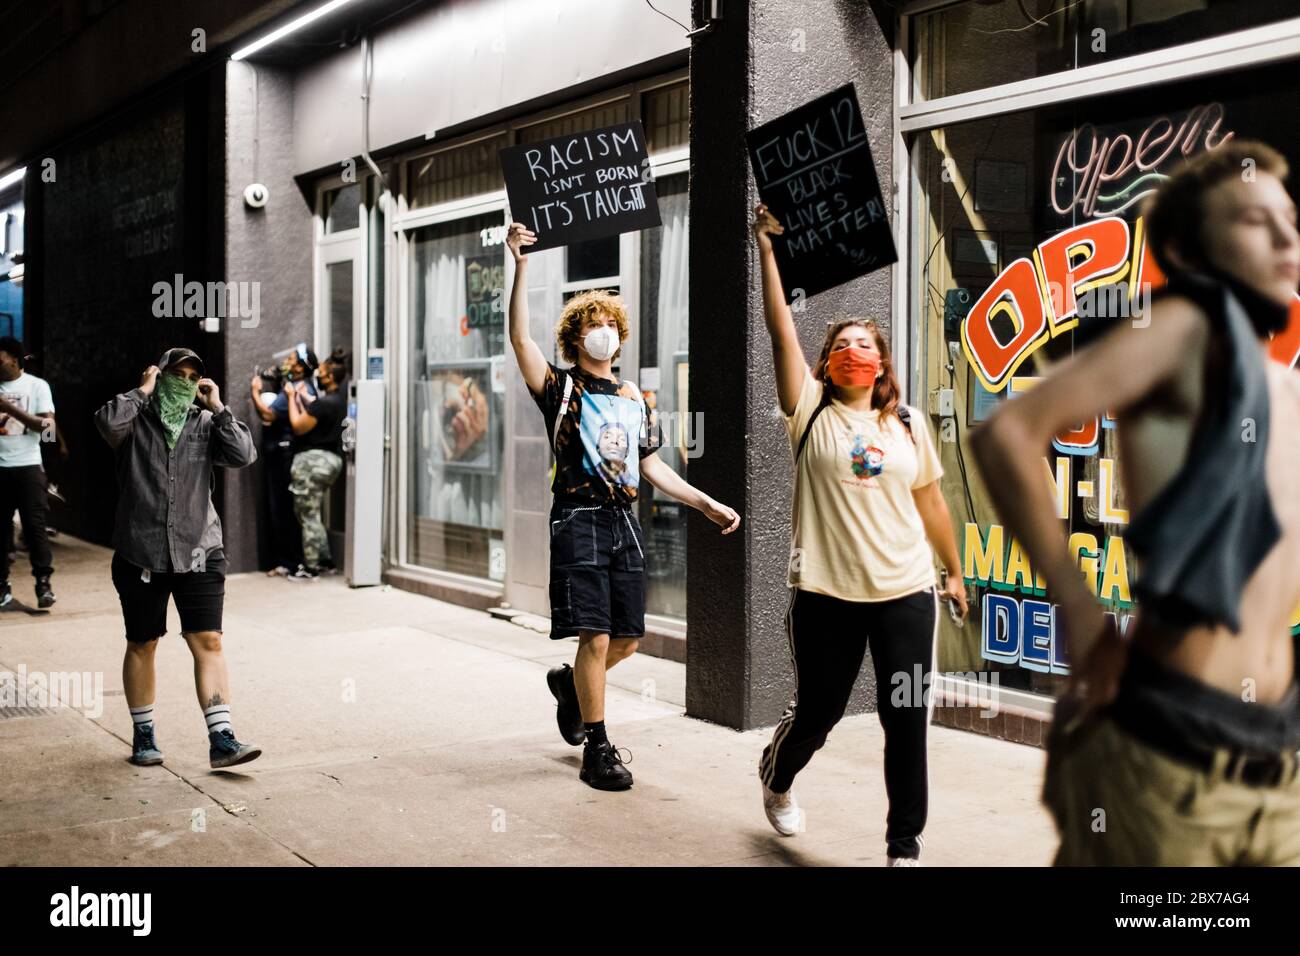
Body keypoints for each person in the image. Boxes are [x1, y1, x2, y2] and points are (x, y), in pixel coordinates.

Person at [970, 140, 1300, 865]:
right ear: (1185, 249)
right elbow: (1008, 435)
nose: (1284, 239)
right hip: (1172, 754)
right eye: (1253, 220)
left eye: (1291, 221)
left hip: (1276, 756)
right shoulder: (1187, 328)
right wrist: (1085, 622)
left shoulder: (1278, 389)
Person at [750, 204, 967, 865]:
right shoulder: (809, 412)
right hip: (824, 594)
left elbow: (930, 501)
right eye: (840, 345)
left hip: (905, 591)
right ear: (826, 364)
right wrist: (767, 249)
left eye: (864, 344)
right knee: (818, 713)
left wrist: (953, 571)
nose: (852, 351)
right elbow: (779, 331)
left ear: (881, 362)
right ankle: (778, 775)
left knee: (907, 721)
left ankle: (904, 843)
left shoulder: (907, 424)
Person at [506, 221, 741, 792]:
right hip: (579, 520)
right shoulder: (560, 390)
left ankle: (570, 686)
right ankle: (598, 744)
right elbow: (520, 341)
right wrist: (520, 266)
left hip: (624, 524)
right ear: (575, 338)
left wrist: (703, 502)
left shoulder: (636, 399)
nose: (603, 332)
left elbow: (651, 466)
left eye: (610, 324)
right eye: (592, 325)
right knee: (597, 637)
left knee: (629, 639)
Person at [95, 348, 263, 769]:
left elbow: (244, 454)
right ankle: (144, 734)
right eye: (176, 374)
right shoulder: (133, 422)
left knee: (208, 640)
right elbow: (105, 422)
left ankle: (222, 738)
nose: (184, 383)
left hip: (200, 551)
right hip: (142, 552)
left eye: (192, 377)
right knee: (143, 643)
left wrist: (220, 406)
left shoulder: (207, 424)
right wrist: (143, 389)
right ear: (158, 374)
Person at [249, 344, 318, 576]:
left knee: (283, 508)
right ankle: (287, 559)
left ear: (300, 367)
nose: (286, 362)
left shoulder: (298, 387)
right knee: (283, 508)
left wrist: (255, 392)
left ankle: (291, 561)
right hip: (284, 451)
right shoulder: (301, 385)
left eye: (291, 359)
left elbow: (268, 413)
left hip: (284, 453)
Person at [0, 336, 56, 609]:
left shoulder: (36, 386)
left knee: (34, 528)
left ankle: (43, 583)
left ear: (13, 358)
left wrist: (10, 408)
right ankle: (2, 587)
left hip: (28, 466)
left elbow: (48, 430)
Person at [284, 348, 349, 581]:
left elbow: (299, 426)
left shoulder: (323, 404)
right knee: (314, 513)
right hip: (332, 462)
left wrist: (291, 396)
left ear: (330, 377)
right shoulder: (339, 401)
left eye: (321, 372)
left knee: (307, 514)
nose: (318, 376)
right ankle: (325, 561)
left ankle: (310, 567)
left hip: (313, 461)